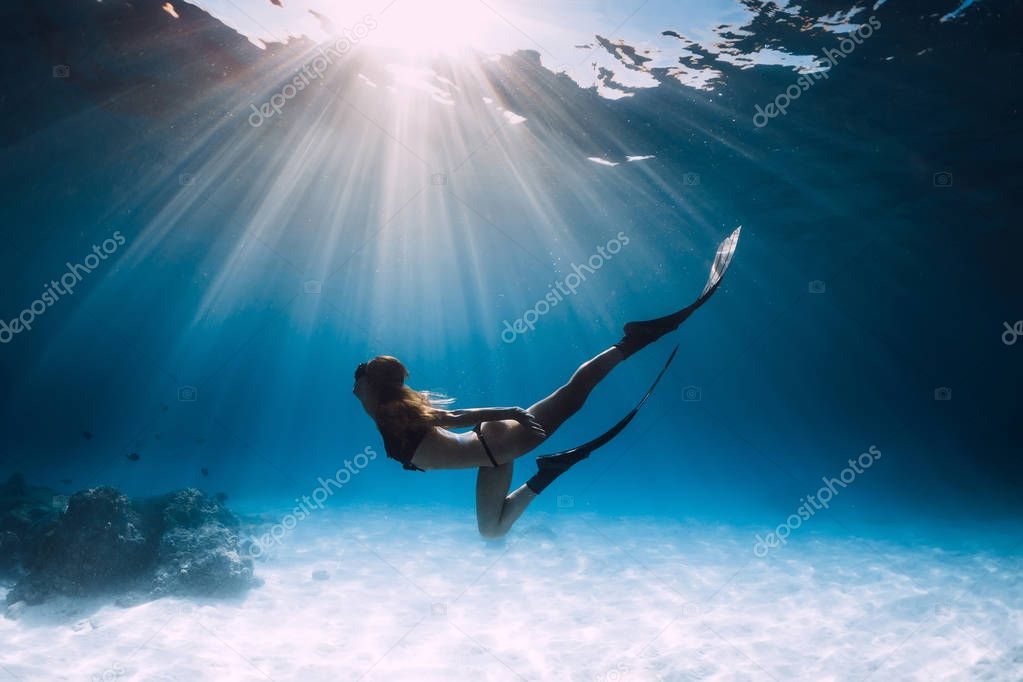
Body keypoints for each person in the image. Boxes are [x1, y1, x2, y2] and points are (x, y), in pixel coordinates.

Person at [353, 227, 740, 538]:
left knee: (573, 396)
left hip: (497, 440)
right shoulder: (382, 410)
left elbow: (454, 418)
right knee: (491, 532)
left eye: (359, 379)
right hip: (491, 454)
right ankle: (548, 472)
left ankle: (635, 339)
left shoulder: (390, 412)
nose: (353, 387)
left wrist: (513, 412)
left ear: (372, 386)